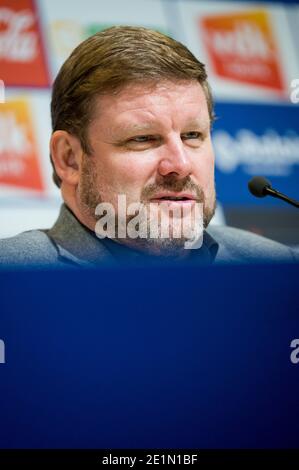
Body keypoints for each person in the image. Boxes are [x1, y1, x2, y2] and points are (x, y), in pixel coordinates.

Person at [0, 26, 297, 267]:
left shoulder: (277, 269)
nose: (180, 165)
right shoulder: (11, 279)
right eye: (143, 138)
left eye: (193, 135)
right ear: (70, 159)